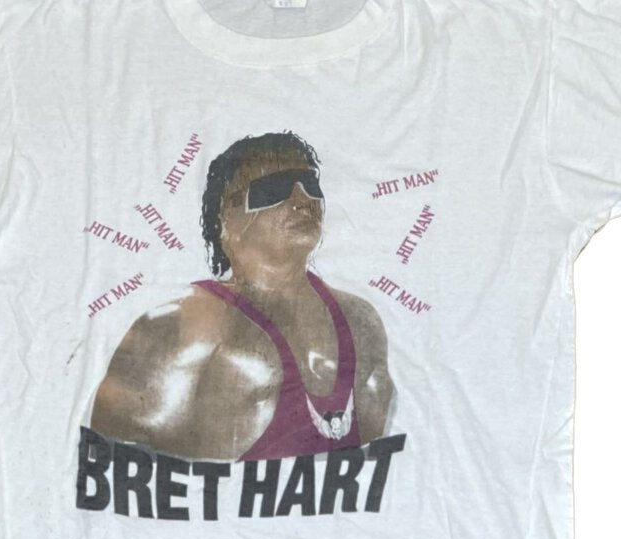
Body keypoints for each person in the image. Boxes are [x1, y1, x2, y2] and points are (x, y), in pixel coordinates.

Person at [89, 131, 394, 461]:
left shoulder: (360, 320)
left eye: (310, 185)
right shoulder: (174, 328)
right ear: (227, 219)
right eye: (275, 189)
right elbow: (107, 468)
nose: (301, 199)